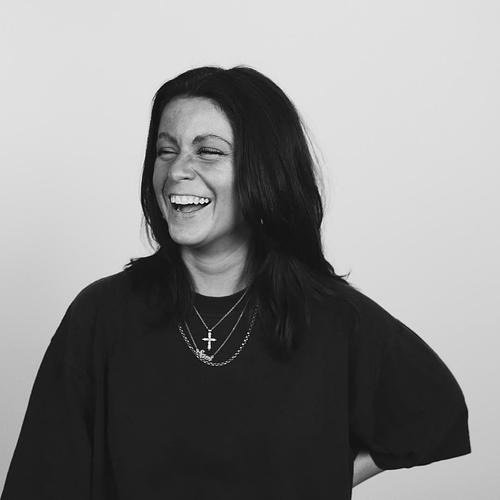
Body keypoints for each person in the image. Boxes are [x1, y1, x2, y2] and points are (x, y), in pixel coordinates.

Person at [0, 65, 471, 500]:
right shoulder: (101, 315)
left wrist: (324, 476)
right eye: (166, 150)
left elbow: (436, 413)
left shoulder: (330, 317)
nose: (177, 170)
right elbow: (40, 482)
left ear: (264, 172)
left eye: (208, 151)